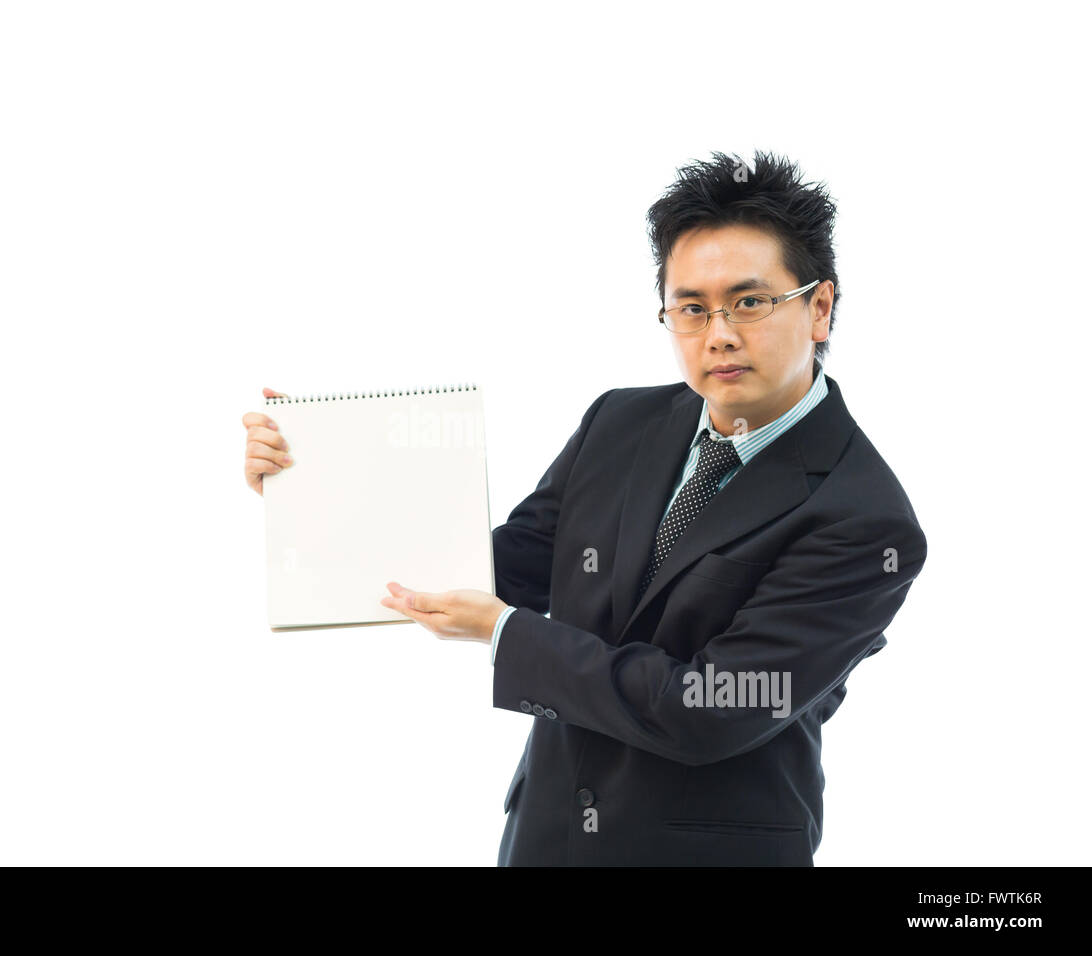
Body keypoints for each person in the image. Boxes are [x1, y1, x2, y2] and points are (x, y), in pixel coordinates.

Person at [241, 150, 927, 865]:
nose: (718, 333)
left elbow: (709, 710)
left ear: (819, 307)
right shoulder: (620, 424)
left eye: (749, 303)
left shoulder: (866, 520)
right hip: (547, 835)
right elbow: (500, 565)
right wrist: (321, 483)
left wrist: (509, 636)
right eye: (691, 309)